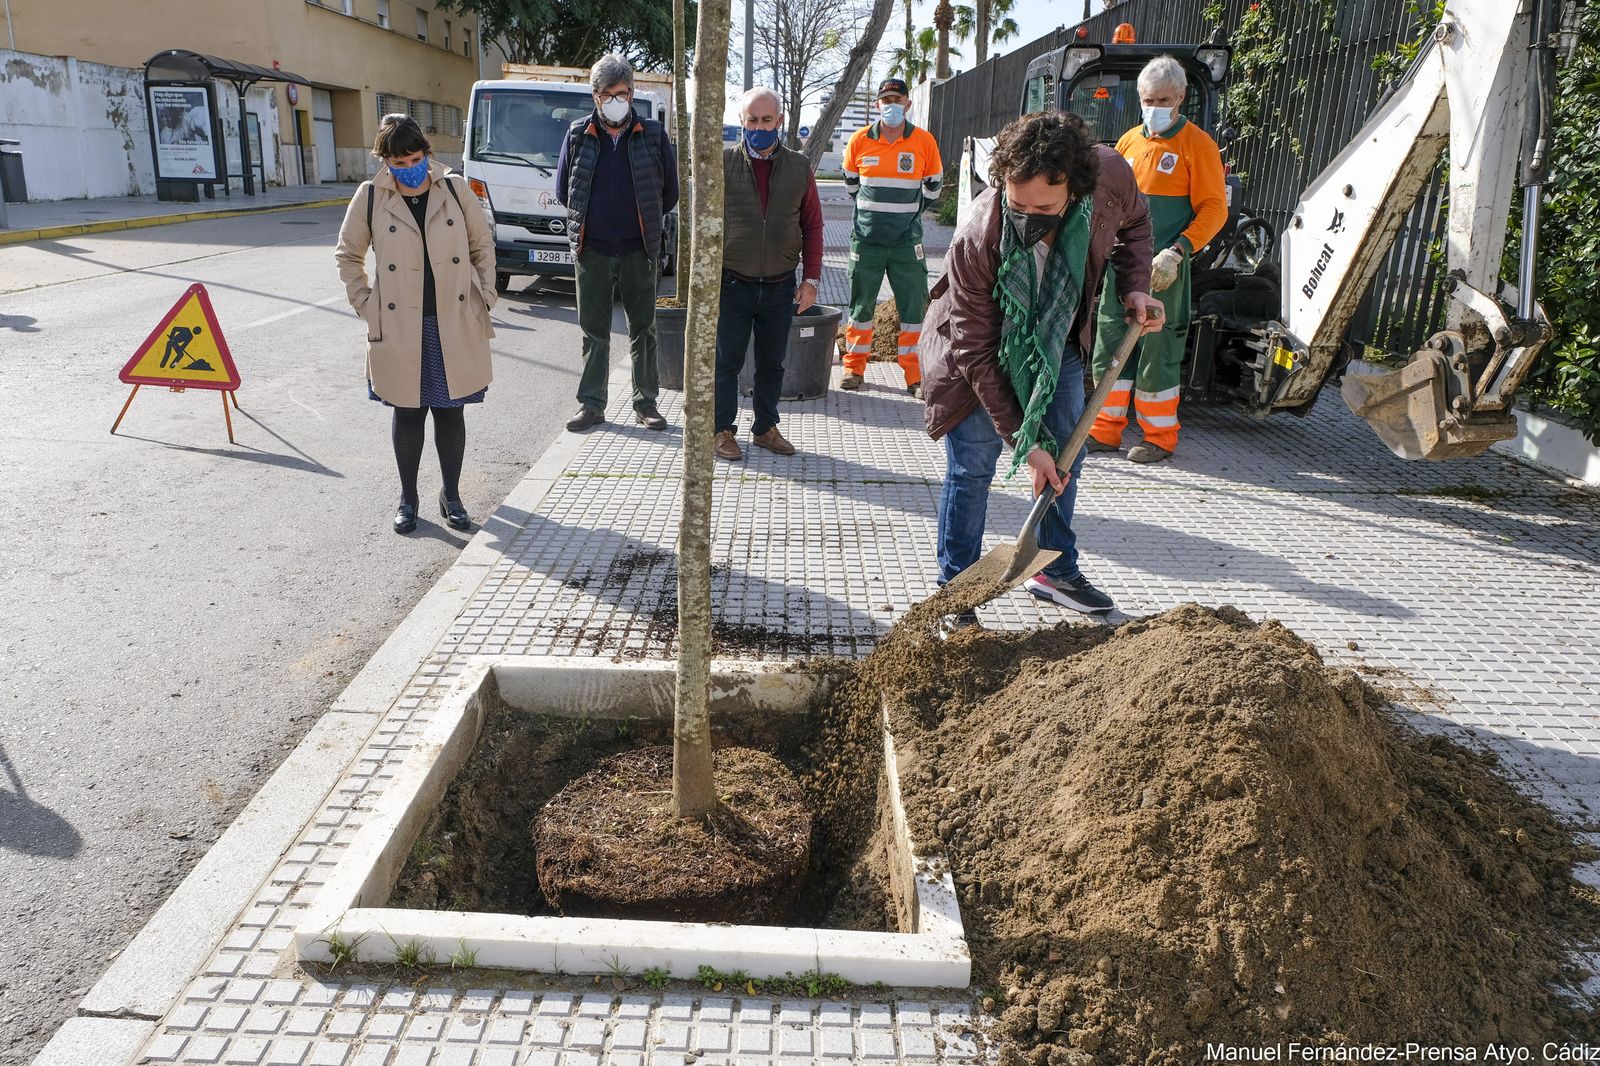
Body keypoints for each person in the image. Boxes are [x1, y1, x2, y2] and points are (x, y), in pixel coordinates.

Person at [920, 111, 1163, 633]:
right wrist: (1023, 440)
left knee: (1065, 455)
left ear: (1075, 190)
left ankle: (1054, 570)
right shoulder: (977, 238)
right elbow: (975, 351)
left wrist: (1134, 288)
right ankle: (956, 592)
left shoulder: (1110, 177)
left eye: (1045, 208)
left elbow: (1137, 225)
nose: (1029, 219)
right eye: (1017, 205)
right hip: (977, 354)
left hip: (1057, 341)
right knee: (972, 466)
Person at [336, 112, 497, 535]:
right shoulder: (371, 195)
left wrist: (485, 297)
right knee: (407, 413)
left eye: (415, 160)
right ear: (385, 161)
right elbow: (348, 255)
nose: (409, 169)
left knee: (450, 411)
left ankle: (452, 495)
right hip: (399, 324)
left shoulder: (455, 189)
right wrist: (366, 304)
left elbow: (482, 246)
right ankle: (408, 499)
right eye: (398, 163)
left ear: (427, 153)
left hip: (452, 320)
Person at [1088, 55, 1228, 463]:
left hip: (1166, 268)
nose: (1155, 107)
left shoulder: (1198, 146)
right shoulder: (1128, 143)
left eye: (1164, 100)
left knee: (1158, 351)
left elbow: (1214, 209)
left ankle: (1159, 438)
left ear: (1181, 97)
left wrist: (1179, 250)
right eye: (1148, 100)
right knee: (1109, 345)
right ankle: (1103, 430)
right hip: (1122, 266)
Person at [556, 53, 680, 433]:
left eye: (622, 93)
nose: (615, 101)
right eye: (607, 94)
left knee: (644, 329)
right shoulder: (577, 134)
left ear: (631, 93)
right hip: (591, 251)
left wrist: (643, 225)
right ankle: (591, 405)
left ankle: (646, 404)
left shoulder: (653, 135)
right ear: (595, 96)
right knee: (593, 331)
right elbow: (564, 190)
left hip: (638, 250)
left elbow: (670, 192)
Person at [712, 87, 825, 462]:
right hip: (732, 282)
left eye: (766, 120)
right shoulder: (723, 164)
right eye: (752, 120)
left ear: (780, 120)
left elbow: (813, 225)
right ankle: (722, 429)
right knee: (726, 362)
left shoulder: (799, 167)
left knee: (772, 363)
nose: (759, 127)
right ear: (741, 121)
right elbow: (705, 224)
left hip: (780, 285)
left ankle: (764, 428)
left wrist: (811, 279)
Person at [840, 78, 942, 396]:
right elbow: (851, 184)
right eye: (886, 100)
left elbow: (934, 185)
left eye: (897, 100)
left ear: (907, 104)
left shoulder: (924, 141)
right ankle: (854, 369)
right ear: (877, 105)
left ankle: (915, 375)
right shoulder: (859, 140)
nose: (891, 105)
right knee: (861, 307)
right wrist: (875, 213)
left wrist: (908, 214)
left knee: (913, 311)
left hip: (906, 242)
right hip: (866, 241)